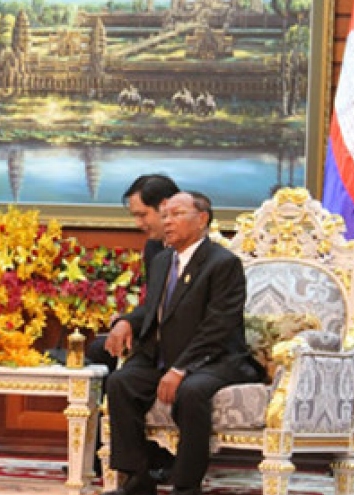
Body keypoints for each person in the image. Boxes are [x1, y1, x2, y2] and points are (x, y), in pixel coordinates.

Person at [102, 192, 264, 495]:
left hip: (215, 360)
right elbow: (153, 309)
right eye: (164, 215)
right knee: (121, 382)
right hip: (164, 356)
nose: (167, 221)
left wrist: (180, 369)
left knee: (191, 391)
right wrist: (125, 322)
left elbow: (219, 326)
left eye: (177, 214)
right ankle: (138, 480)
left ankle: (186, 486)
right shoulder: (163, 260)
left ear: (201, 219)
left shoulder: (222, 263)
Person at [86, 174, 179, 480]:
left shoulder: (203, 251)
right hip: (152, 333)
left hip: (180, 341)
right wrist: (126, 320)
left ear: (164, 206)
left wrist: (130, 321)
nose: (138, 224)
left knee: (118, 365)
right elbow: (154, 301)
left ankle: (157, 457)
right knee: (101, 350)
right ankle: (104, 454)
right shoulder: (154, 248)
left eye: (142, 215)